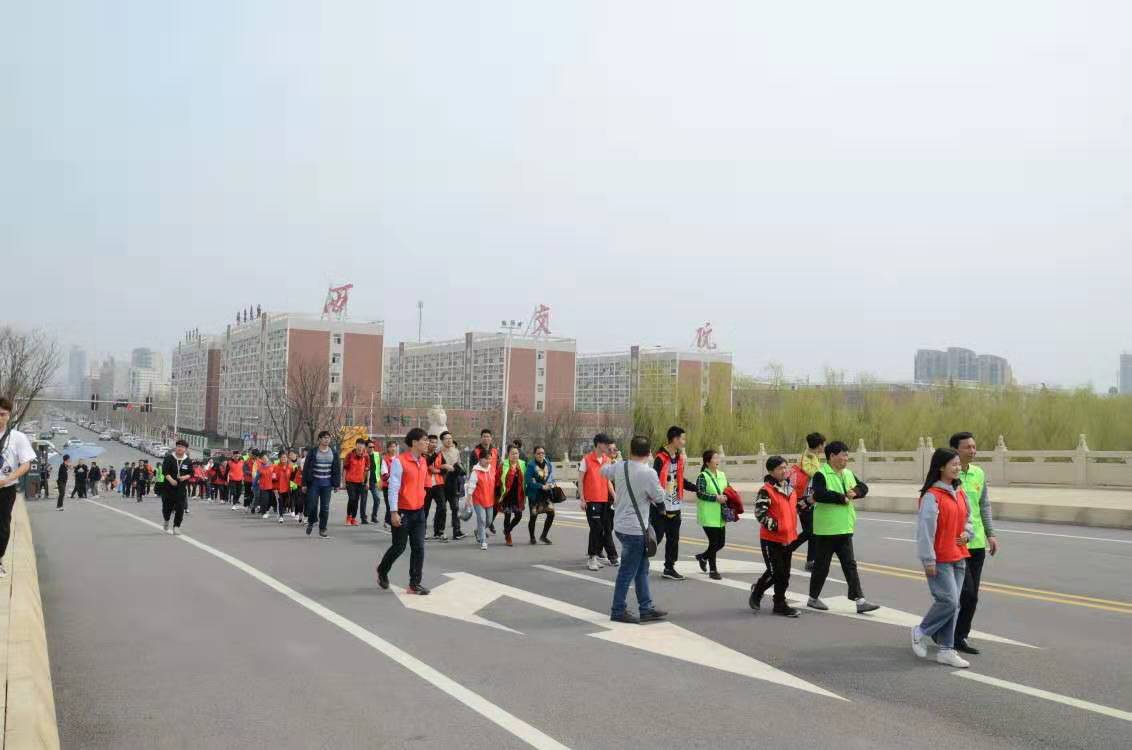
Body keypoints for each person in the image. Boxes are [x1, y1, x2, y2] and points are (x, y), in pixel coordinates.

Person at [911, 448, 973, 669]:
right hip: (940, 558)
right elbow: (925, 531)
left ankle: (946, 650)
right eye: (953, 464)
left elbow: (968, 519)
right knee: (949, 601)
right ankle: (921, 631)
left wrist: (968, 533)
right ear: (940, 467)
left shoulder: (960, 492)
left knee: (954, 605)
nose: (957, 468)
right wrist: (928, 560)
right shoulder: (932, 496)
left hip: (959, 555)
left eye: (958, 464)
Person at [600, 435, 669, 624]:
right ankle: (618, 610)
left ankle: (646, 608)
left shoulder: (620, 466)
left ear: (630, 451)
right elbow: (659, 496)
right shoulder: (648, 473)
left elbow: (603, 471)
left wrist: (611, 457)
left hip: (621, 526)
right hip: (636, 530)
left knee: (641, 569)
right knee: (628, 571)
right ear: (649, 453)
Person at [807, 441, 880, 614]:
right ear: (832, 456)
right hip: (826, 530)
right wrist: (841, 498)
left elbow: (863, 487)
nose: (846, 458)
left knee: (850, 565)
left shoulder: (848, 473)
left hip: (844, 528)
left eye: (847, 455)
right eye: (843, 455)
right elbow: (819, 494)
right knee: (822, 566)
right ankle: (813, 598)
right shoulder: (821, 474)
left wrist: (856, 492)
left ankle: (860, 600)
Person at [950, 432, 998, 655]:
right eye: (967, 447)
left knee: (971, 596)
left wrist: (990, 534)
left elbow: (984, 505)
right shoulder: (949, 474)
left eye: (974, 447)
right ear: (956, 450)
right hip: (956, 544)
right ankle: (943, 631)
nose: (972, 450)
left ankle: (960, 636)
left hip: (976, 543)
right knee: (960, 594)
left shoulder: (978, 473)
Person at [377, 428, 430, 595]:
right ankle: (382, 570)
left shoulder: (423, 461)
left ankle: (415, 583)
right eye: (424, 440)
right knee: (399, 546)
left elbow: (424, 484)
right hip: (403, 511)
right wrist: (393, 512)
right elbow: (393, 488)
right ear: (414, 442)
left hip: (419, 511)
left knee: (419, 547)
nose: (427, 443)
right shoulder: (399, 461)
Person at [750, 456, 801, 616]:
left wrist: (809, 502)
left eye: (785, 467)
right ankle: (758, 592)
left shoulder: (790, 489)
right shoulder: (766, 490)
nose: (784, 471)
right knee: (776, 573)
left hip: (788, 539)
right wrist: (777, 526)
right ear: (771, 471)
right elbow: (760, 513)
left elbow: (794, 508)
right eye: (780, 468)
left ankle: (779, 604)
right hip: (771, 540)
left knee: (785, 574)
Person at [652, 426, 698, 581]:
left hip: (675, 505)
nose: (684, 441)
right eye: (682, 438)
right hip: (660, 506)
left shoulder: (679, 458)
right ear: (675, 439)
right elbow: (654, 481)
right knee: (656, 537)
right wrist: (658, 503)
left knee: (673, 539)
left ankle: (669, 568)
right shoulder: (660, 458)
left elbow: (680, 480)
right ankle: (639, 562)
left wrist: (696, 488)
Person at [0, 398, 37, 577]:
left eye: (2, 414)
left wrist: (8, 479)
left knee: (2, 526)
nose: (0, 418)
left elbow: (26, 464)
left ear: (8, 415)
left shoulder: (18, 438)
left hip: (6, 489)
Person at [579, 433, 618, 571]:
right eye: (606, 443)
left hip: (604, 500)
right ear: (599, 444)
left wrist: (615, 496)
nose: (608, 446)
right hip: (591, 500)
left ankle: (595, 556)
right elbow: (580, 480)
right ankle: (592, 558)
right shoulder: (586, 460)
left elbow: (608, 481)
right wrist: (582, 499)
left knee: (603, 529)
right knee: (596, 528)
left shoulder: (607, 460)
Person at [788, 432, 825, 571]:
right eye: (823, 444)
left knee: (812, 532)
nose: (824, 447)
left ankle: (810, 561)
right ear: (819, 445)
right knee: (811, 531)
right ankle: (788, 549)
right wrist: (823, 473)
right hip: (803, 499)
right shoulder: (809, 456)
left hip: (807, 497)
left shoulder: (812, 455)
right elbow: (811, 472)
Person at [693, 449, 729, 580]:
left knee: (721, 543)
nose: (717, 460)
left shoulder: (722, 474)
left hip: (720, 515)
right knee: (714, 543)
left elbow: (728, 489)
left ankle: (703, 557)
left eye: (718, 458)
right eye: (714, 458)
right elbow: (700, 493)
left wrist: (729, 495)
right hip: (708, 515)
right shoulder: (702, 476)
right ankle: (713, 570)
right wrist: (715, 498)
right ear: (707, 462)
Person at [302, 431, 341, 538]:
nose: (326, 440)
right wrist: (304, 484)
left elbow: (337, 469)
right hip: (314, 483)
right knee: (312, 505)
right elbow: (306, 468)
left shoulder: (333, 452)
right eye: (324, 438)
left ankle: (323, 529)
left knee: (325, 507)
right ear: (319, 439)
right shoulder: (313, 452)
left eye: (328, 438)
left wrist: (336, 484)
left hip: (327, 484)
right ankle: (311, 522)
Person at [434, 431, 464, 540]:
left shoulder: (456, 451)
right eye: (447, 438)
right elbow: (434, 465)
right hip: (441, 482)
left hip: (453, 482)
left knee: (455, 507)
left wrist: (460, 469)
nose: (449, 440)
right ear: (442, 440)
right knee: (442, 508)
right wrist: (444, 466)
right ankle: (439, 531)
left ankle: (457, 531)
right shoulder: (437, 452)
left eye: (450, 438)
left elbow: (459, 463)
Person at [524, 446, 556, 544]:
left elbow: (551, 477)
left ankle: (543, 536)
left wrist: (552, 484)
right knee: (533, 516)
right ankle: (532, 537)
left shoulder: (548, 464)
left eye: (542, 453)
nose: (541, 455)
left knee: (551, 513)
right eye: (538, 453)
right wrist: (541, 486)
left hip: (545, 494)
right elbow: (528, 481)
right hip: (534, 494)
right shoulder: (531, 465)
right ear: (535, 454)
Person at [465, 451, 497, 550]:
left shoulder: (491, 469)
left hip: (490, 499)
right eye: (486, 458)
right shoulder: (476, 471)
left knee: (489, 521)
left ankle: (478, 531)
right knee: (482, 520)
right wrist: (468, 498)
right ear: (480, 459)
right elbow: (471, 485)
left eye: (489, 459)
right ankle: (483, 541)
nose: (488, 461)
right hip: (479, 500)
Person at [161, 439, 193, 534]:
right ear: (176, 447)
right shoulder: (169, 458)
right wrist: (171, 480)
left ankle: (176, 526)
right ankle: (166, 520)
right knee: (167, 508)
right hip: (168, 488)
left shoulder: (188, 460)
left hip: (181, 489)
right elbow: (165, 471)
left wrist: (184, 477)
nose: (180, 448)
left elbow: (191, 473)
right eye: (178, 446)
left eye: (182, 447)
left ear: (185, 449)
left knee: (180, 508)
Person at [496, 445, 526, 546]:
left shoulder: (522, 464)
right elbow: (497, 479)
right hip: (507, 495)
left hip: (517, 495)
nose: (515, 455)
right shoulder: (503, 465)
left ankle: (507, 530)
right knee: (507, 516)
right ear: (508, 454)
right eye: (512, 453)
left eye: (516, 453)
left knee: (518, 516)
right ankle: (508, 537)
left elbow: (526, 478)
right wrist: (497, 493)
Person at [471, 430, 499, 530]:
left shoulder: (495, 451)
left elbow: (497, 467)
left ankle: (480, 530)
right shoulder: (475, 452)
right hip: (481, 486)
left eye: (488, 436)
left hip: (492, 484)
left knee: (490, 517)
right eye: (484, 436)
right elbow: (473, 469)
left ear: (491, 438)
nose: (486, 438)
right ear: (481, 438)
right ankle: (481, 533)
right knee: (482, 517)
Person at [343, 438, 370, 526]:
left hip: (360, 482)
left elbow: (367, 470)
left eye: (362, 447)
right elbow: (345, 469)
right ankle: (348, 517)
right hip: (350, 481)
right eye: (358, 447)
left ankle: (353, 519)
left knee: (356, 500)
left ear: (364, 447)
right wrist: (343, 482)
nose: (360, 449)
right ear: (356, 445)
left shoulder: (366, 456)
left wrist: (367, 482)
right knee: (352, 499)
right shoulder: (349, 455)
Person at [375, 441, 397, 526]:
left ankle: (388, 520)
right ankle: (388, 521)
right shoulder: (385, 459)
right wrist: (393, 481)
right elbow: (384, 474)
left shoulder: (399, 459)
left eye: (394, 446)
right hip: (387, 486)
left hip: (397, 487)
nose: (393, 448)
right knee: (389, 504)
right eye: (391, 447)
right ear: (388, 448)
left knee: (395, 505)